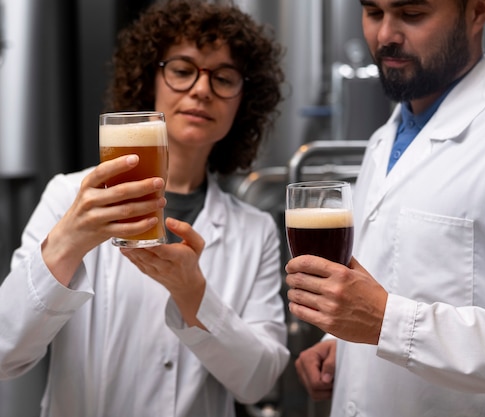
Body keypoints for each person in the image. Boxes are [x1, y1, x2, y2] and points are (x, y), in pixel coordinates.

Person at [285, 0, 485, 416]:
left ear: (477, 11)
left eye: (412, 14)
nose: (385, 35)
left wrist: (388, 323)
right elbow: (387, 283)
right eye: (373, 12)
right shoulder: (384, 142)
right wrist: (339, 345)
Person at [0, 1, 289, 416]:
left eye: (223, 78)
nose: (202, 89)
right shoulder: (68, 197)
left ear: (245, 101)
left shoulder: (254, 230)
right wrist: (67, 242)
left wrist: (195, 296)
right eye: (182, 70)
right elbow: (5, 353)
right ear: (149, 79)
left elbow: (258, 382)